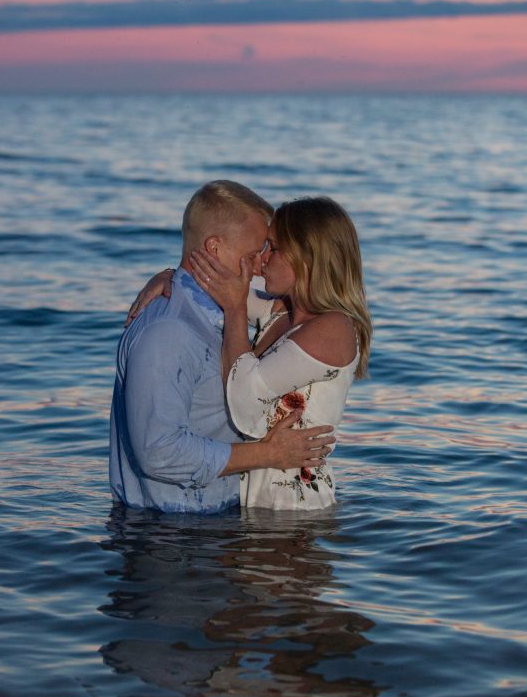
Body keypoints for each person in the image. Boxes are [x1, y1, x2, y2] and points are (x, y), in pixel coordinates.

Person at [129, 195, 372, 510]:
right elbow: (215, 286)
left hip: (293, 514)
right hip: (254, 508)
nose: (263, 259)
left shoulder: (333, 329)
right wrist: (172, 277)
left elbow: (244, 404)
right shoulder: (282, 312)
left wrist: (234, 310)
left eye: (273, 248)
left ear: (306, 258)